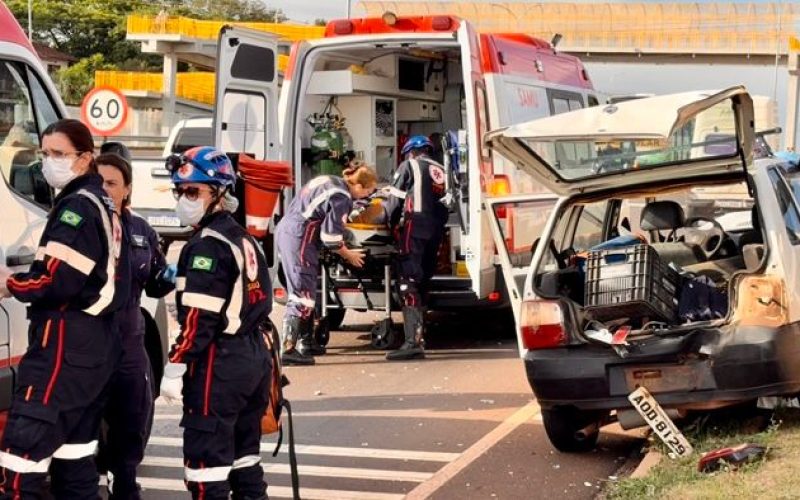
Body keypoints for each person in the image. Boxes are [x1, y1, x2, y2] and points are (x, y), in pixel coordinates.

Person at [0, 119, 129, 498]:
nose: (48, 161)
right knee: (75, 463)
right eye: (44, 153)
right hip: (92, 347)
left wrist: (10, 283)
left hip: (64, 346)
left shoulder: (76, 207)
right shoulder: (100, 201)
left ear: (86, 157)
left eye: (59, 154)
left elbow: (58, 281)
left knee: (22, 461)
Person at [158, 146, 273, 500]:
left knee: (205, 467)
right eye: (180, 191)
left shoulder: (207, 245)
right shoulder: (244, 238)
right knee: (244, 460)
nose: (184, 199)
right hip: (252, 358)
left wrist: (175, 365)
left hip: (219, 363)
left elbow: (198, 320)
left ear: (220, 194)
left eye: (193, 191)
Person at [96, 142, 176, 499]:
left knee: (131, 419)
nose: (104, 189)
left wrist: (172, 274)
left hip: (130, 340)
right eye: (98, 182)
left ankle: (124, 485)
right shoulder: (84, 225)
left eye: (112, 183)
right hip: (91, 340)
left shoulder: (142, 229)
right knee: (83, 425)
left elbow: (156, 283)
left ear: (127, 188)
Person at [275, 164, 377, 365]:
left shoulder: (330, 180)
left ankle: (306, 343)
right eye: (367, 191)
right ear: (357, 185)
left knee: (307, 290)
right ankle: (287, 349)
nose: (367, 195)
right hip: (301, 238)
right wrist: (350, 255)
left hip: (289, 230)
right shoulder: (342, 197)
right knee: (301, 293)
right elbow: (331, 237)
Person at [383, 135, 448, 361]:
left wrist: (388, 223)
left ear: (410, 151)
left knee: (407, 281)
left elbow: (395, 200)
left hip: (415, 226)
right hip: (436, 229)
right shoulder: (441, 169)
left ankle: (413, 342)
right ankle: (421, 336)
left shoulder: (409, 165)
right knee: (422, 280)